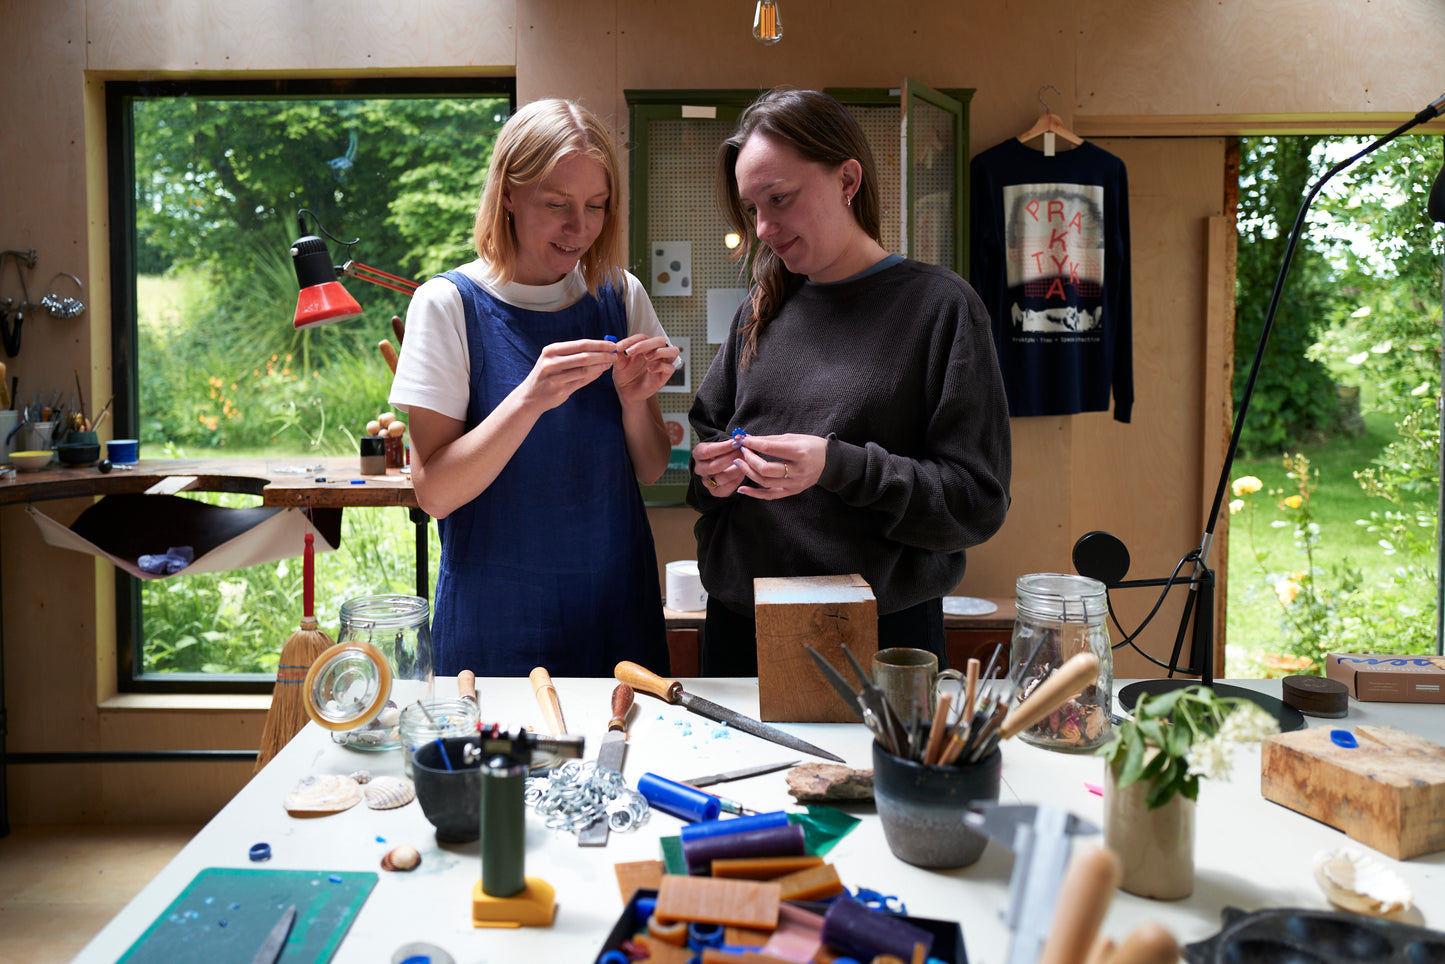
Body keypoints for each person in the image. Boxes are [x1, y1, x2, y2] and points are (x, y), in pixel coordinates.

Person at [688, 87, 1012, 677]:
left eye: (779, 199)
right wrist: (714, 475)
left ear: (848, 180)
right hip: (741, 625)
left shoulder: (940, 308)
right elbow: (707, 459)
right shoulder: (760, 308)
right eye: (751, 207)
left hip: (880, 637)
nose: (762, 227)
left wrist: (838, 465)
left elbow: (976, 503)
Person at [389, 98, 680, 677]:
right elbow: (435, 493)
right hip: (495, 623)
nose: (580, 228)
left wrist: (632, 398)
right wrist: (529, 398)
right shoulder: (447, 305)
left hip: (616, 612)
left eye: (596, 206)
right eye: (557, 205)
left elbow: (649, 468)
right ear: (508, 197)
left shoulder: (621, 296)